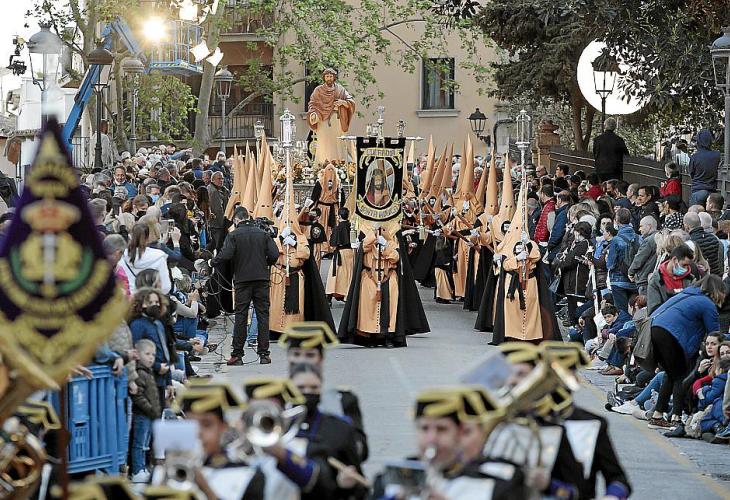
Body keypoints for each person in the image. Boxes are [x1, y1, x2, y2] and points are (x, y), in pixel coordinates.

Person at [373, 386, 528, 500]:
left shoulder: (500, 482)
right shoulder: (392, 478)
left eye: (441, 429)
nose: (431, 439)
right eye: (424, 428)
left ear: (460, 434)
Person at [647, 274, 725, 430]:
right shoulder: (707, 304)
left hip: (655, 330)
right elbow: (715, 334)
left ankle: (657, 415)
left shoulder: (687, 294)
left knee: (670, 374)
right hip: (670, 334)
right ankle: (676, 418)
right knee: (680, 375)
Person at [176, 381, 266, 499]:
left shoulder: (247, 476)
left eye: (206, 424)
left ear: (223, 427)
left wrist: (204, 488)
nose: (198, 433)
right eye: (190, 425)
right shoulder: (166, 473)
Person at [212, 206, 279, 366]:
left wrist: (213, 262)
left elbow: (226, 254)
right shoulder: (263, 234)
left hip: (242, 279)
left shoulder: (234, 235)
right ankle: (264, 354)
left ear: (236, 219)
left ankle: (237, 354)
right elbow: (274, 254)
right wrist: (265, 263)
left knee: (241, 315)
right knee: (262, 315)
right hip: (261, 278)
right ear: (248, 217)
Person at [307, 68, 356, 166]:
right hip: (323, 120)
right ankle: (322, 165)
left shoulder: (340, 89)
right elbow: (312, 104)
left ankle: (340, 164)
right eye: (327, 76)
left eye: (331, 76)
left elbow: (351, 102)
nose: (329, 78)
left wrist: (343, 102)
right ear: (324, 78)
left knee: (339, 143)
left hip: (337, 120)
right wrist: (313, 114)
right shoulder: (318, 90)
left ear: (334, 77)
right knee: (325, 144)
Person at [129, 339, 162, 483]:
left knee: (145, 444)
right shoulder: (140, 373)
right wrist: (150, 409)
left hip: (149, 415)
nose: (151, 358)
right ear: (138, 354)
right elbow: (138, 396)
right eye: (147, 354)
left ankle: (143, 468)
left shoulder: (148, 372)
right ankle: (137, 470)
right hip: (142, 415)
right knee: (139, 444)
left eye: (153, 355)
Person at [120, 224, 171, 294]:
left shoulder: (121, 257)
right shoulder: (158, 257)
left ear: (130, 236)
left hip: (129, 298)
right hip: (152, 297)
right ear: (148, 238)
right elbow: (165, 287)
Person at [646, 244, 694, 314]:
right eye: (684, 265)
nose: (686, 269)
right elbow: (653, 310)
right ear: (674, 260)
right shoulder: (656, 281)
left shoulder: (690, 279)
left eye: (688, 265)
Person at [325, 207, 355, 302]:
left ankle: (329, 296)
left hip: (340, 254)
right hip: (350, 253)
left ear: (339, 216)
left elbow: (332, 244)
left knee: (334, 275)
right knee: (349, 275)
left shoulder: (337, 228)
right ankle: (347, 295)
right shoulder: (352, 227)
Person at [685, 211, 724, 276]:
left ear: (686, 226)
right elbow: (720, 261)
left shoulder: (689, 243)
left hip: (701, 279)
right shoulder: (715, 238)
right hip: (716, 277)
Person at [689, 129, 721, 206]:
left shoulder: (694, 157)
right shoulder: (717, 155)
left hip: (698, 191)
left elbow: (691, 173)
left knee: (695, 213)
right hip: (712, 192)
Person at [628, 216, 658, 295]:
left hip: (645, 281)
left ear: (649, 226)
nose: (639, 229)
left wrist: (630, 272)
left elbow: (639, 259)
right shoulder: (661, 237)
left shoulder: (648, 240)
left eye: (641, 226)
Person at [207, 171, 229, 251]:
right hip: (217, 223)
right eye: (219, 179)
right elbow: (217, 209)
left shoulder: (221, 189)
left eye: (222, 178)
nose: (221, 180)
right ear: (213, 180)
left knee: (213, 243)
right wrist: (224, 224)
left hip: (216, 223)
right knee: (219, 244)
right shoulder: (213, 191)